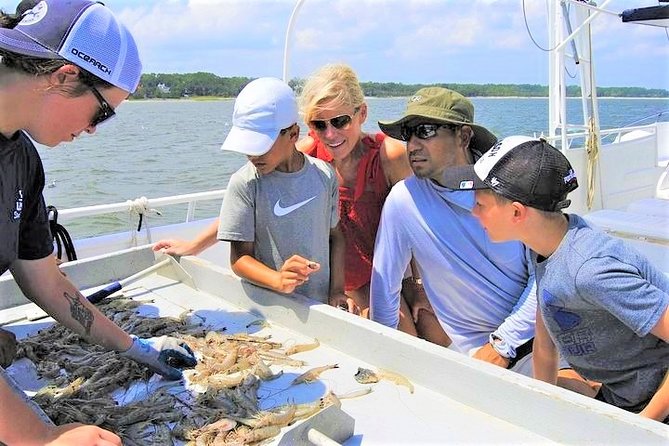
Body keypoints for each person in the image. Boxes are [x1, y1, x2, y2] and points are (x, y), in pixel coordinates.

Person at [0, 1, 196, 444]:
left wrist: (139, 349)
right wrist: (39, 436)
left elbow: (46, 281)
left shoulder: (23, 162)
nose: (94, 129)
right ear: (65, 75)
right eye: (102, 111)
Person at [442, 135, 669, 422]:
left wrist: (644, 424)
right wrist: (545, 414)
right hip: (621, 392)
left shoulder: (590, 270)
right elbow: (545, 345)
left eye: (480, 204)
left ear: (516, 212)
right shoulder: (545, 246)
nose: (473, 212)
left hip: (653, 406)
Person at [370, 87, 542, 375]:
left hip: (536, 337)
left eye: (424, 131)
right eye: (407, 134)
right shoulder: (403, 200)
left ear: (463, 136)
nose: (412, 145)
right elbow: (384, 287)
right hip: (473, 355)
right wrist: (381, 358)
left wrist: (503, 344)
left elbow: (548, 277)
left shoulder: (512, 188)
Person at [296, 63, 433, 337]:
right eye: (319, 125)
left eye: (340, 121)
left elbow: (417, 225)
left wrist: (419, 287)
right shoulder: (306, 156)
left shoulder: (390, 157)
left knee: (435, 333)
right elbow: (253, 201)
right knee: (401, 345)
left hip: (390, 270)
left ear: (362, 114)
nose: (330, 134)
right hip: (338, 277)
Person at [214, 77, 345, 305]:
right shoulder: (245, 184)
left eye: (261, 145)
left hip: (321, 305)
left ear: (293, 133)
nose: (252, 155)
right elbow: (239, 259)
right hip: (271, 307)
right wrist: (277, 279)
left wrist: (337, 291)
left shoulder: (325, 175)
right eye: (247, 146)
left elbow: (337, 237)